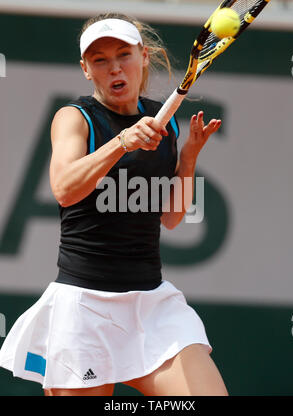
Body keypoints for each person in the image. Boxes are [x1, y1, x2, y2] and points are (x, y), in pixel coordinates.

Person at [0, 13, 228, 396]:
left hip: (152, 306)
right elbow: (64, 188)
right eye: (100, 60)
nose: (114, 67)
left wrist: (187, 159)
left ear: (144, 56)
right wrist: (122, 142)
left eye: (123, 54)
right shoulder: (74, 118)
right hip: (84, 309)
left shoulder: (165, 122)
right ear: (86, 70)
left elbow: (171, 218)